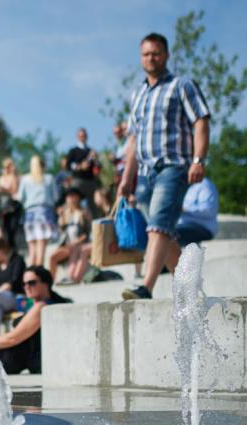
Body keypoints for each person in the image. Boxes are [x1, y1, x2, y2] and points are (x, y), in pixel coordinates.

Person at [118, 33, 211, 300]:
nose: (151, 58)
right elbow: (133, 140)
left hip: (175, 166)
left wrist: (198, 159)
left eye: (156, 53)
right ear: (141, 57)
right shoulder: (137, 94)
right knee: (163, 232)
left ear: (166, 55)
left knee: (158, 225)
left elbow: (201, 122)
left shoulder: (182, 85)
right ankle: (191, 288)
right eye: (146, 54)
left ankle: (145, 286)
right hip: (146, 173)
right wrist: (126, 178)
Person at [165, 177, 219, 272]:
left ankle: (178, 269)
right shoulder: (184, 186)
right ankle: (167, 265)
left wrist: (184, 209)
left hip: (202, 227)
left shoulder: (205, 185)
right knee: (162, 232)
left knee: (169, 234)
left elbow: (208, 210)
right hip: (183, 225)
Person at [18, 155, 59, 266]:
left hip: (30, 214)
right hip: (44, 213)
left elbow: (20, 198)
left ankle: (31, 277)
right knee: (41, 245)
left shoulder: (25, 179)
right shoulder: (49, 178)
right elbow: (56, 197)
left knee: (32, 249)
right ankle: (38, 274)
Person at [48, 188, 92, 284]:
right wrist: (62, 216)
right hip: (67, 245)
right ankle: (50, 282)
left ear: (78, 198)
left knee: (76, 249)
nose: (70, 199)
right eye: (68, 197)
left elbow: (87, 232)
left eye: (73, 196)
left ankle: (73, 277)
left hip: (80, 243)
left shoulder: (83, 213)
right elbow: (62, 231)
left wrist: (76, 242)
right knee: (52, 257)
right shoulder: (65, 213)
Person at [0, 237, 26, 333]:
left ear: (0, 251)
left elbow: (15, 281)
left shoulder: (18, 260)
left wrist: (6, 287)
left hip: (16, 298)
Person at [66, 127, 101, 217]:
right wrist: (80, 166)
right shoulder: (73, 151)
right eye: (81, 136)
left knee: (94, 206)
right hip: (78, 181)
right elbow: (69, 165)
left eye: (84, 136)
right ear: (77, 137)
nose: (83, 137)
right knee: (74, 203)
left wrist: (96, 159)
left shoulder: (91, 151)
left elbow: (98, 167)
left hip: (90, 182)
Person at [0, 158, 22, 249]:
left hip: (14, 205)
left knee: (12, 230)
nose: (7, 168)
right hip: (4, 206)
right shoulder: (1, 178)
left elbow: (15, 190)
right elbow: (1, 191)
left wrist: (13, 175)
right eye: (5, 167)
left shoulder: (16, 177)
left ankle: (13, 251)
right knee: (6, 231)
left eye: (9, 166)